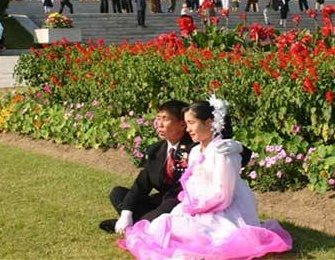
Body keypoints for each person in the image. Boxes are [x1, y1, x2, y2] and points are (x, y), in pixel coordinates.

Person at [118, 98, 293, 259]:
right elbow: (189, 183)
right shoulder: (194, 151)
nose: (188, 129)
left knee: (176, 228)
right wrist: (188, 204)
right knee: (160, 224)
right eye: (187, 123)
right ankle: (137, 217)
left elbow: (223, 196)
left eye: (191, 123)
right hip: (197, 204)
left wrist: (196, 207)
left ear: (209, 123)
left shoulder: (224, 151)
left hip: (222, 210)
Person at [103, 100, 249, 232]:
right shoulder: (156, 149)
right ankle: (135, 220)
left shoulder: (196, 144)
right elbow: (141, 184)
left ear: (181, 124)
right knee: (118, 194)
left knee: (154, 226)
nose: (159, 124)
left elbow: (224, 151)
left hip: (179, 201)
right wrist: (126, 212)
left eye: (165, 119)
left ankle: (139, 223)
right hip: (160, 200)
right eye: (158, 119)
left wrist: (238, 146)